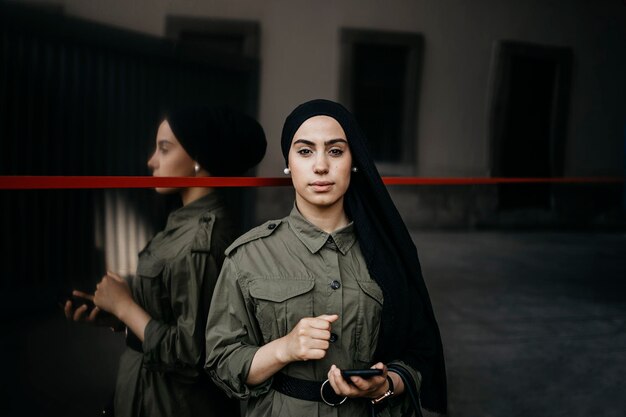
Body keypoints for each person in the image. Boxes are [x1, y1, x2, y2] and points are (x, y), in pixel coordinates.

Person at [205, 99, 447, 416]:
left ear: (354, 161)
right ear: (288, 163)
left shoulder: (386, 254)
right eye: (305, 151)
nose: (321, 165)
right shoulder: (249, 256)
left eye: (335, 151)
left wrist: (385, 385)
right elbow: (221, 361)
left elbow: (418, 354)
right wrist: (284, 348)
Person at [65, 105, 266, 417]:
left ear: (198, 158)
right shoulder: (182, 221)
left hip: (171, 404)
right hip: (144, 395)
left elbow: (192, 353)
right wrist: (119, 319)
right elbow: (172, 314)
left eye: (164, 148)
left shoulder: (204, 239)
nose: (151, 161)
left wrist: (124, 306)